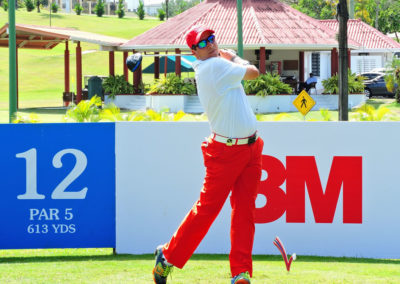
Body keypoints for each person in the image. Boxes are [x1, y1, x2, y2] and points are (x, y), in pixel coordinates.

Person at [152, 25, 264, 284]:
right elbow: (255, 72)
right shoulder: (214, 67)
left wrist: (221, 55)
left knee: (245, 211)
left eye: (212, 39)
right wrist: (232, 56)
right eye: (203, 43)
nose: (211, 44)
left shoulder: (212, 64)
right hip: (225, 152)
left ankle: (240, 272)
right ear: (194, 52)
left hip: (251, 147)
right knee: (207, 210)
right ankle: (167, 256)